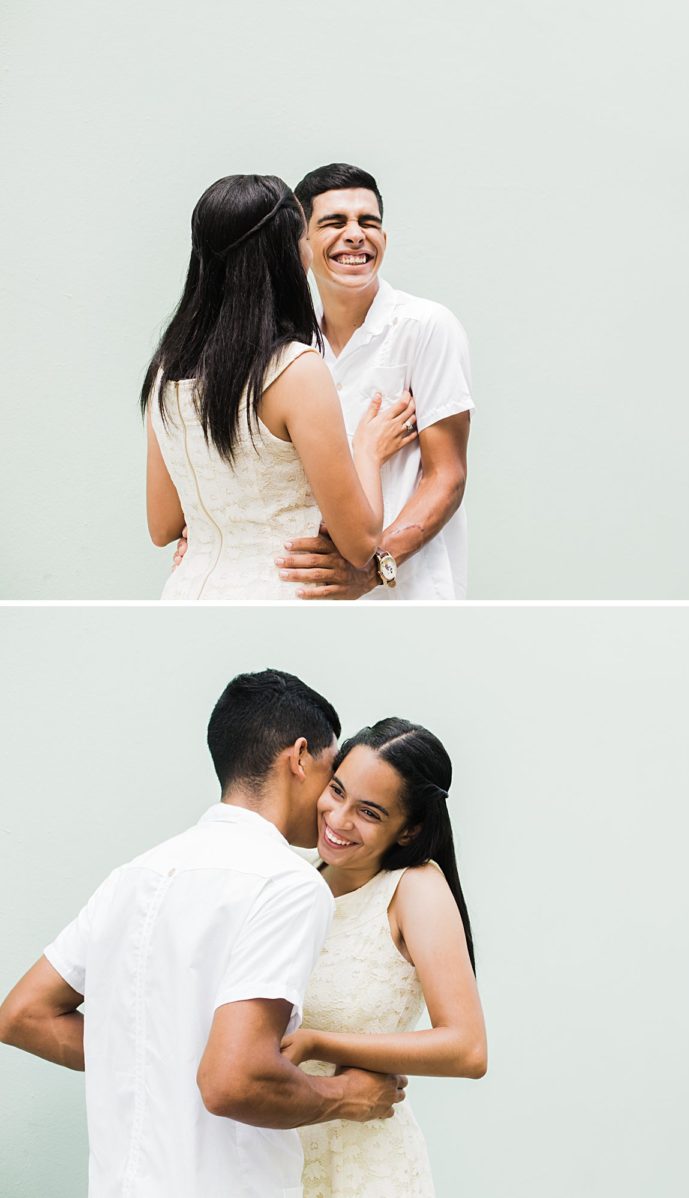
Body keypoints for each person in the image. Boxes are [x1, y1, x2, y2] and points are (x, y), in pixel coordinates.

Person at [0, 670, 407, 1198]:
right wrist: (345, 1096)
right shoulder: (289, 885)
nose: (333, 805)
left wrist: (160, 1057)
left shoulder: (132, 876)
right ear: (301, 757)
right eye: (333, 778)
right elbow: (232, 1081)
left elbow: (23, 1015)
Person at [175, 163, 473, 601]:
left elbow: (446, 476)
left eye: (368, 223)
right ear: (303, 243)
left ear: (384, 240)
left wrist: (371, 568)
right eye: (334, 222)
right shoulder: (286, 349)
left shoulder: (427, 326)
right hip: (305, 595)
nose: (355, 235)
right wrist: (212, 536)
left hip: (407, 592)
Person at [281, 718, 487, 1198]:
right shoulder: (296, 880)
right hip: (278, 1158)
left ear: (408, 830)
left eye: (369, 813)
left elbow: (468, 1048)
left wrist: (317, 1044)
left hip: (363, 1169)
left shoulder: (414, 888)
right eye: (336, 790)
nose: (337, 819)